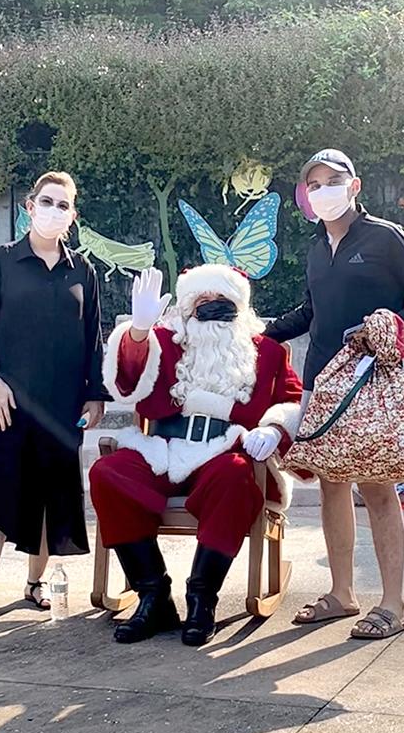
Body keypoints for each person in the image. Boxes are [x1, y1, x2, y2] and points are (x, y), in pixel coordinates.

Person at [265, 148, 404, 639]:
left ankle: (392, 604)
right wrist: (260, 333)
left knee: (377, 486)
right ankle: (342, 594)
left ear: (354, 185)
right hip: (323, 381)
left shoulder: (386, 237)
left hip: (371, 382)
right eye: (314, 183)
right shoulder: (316, 246)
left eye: (332, 180)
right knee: (331, 485)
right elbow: (310, 311)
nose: (322, 190)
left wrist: (389, 323)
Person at [90, 264, 302, 647]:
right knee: (109, 472)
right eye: (201, 301)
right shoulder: (166, 341)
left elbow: (291, 401)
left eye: (220, 301)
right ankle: (153, 595)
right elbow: (129, 378)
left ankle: (202, 597)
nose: (211, 308)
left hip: (225, 450)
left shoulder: (266, 351)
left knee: (236, 477)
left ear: (239, 306)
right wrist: (137, 331)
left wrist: (273, 428)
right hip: (165, 448)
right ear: (186, 307)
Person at [0, 171, 107, 625]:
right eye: (48, 201)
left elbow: (92, 336)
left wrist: (95, 394)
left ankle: (34, 583)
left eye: (64, 205)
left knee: (50, 493)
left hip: (63, 405)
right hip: (5, 401)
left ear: (73, 216)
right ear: (30, 206)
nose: (55, 211)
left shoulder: (83, 270)